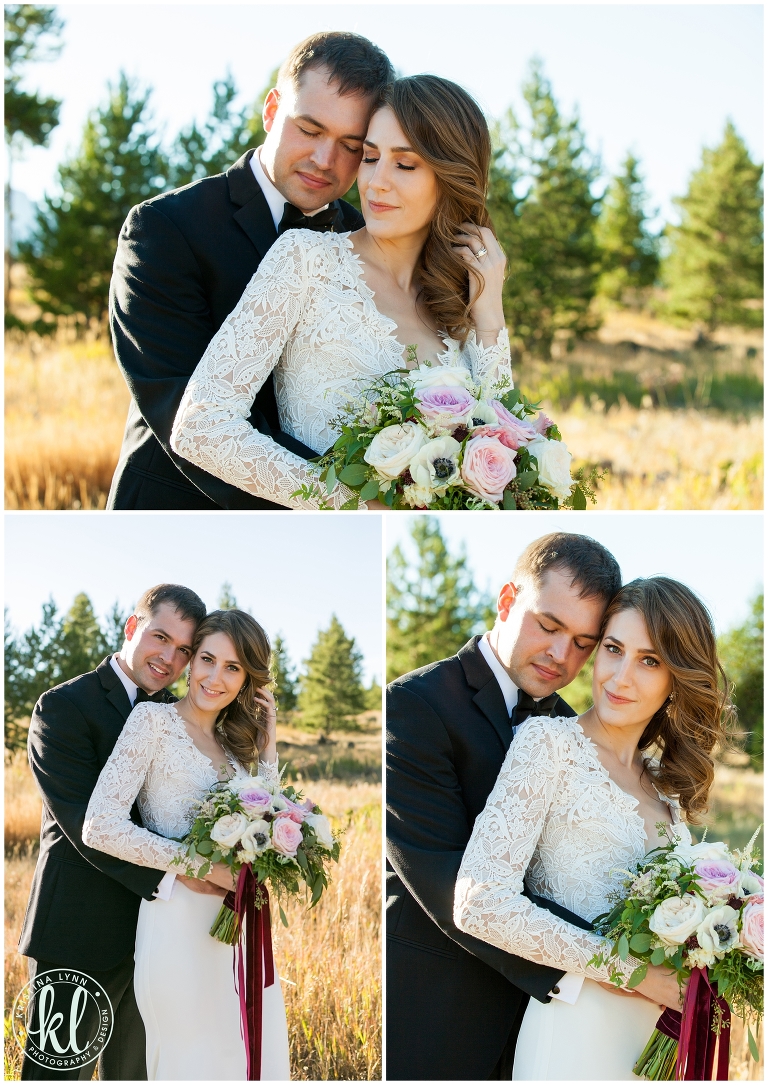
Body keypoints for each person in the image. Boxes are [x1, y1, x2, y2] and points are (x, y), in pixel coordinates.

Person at [170, 73, 509, 509]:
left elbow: (501, 450)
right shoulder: (305, 259)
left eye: (404, 165)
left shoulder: (460, 301)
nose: (376, 182)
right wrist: (356, 505)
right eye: (370, 157)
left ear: (451, 177)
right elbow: (201, 425)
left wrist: (489, 309)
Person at [454, 576, 733, 1080]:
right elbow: (479, 902)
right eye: (612, 649)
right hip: (575, 1032)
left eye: (650, 661)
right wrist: (633, 973)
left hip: (656, 1043)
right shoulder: (548, 744)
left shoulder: (665, 787)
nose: (619, 677)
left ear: (679, 678)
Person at [108, 32, 393, 510]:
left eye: (350, 144)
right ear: (271, 109)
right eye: (309, 129)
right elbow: (179, 407)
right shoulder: (163, 228)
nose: (325, 160)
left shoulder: (370, 240)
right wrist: (344, 505)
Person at [385, 533, 622, 1080]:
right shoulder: (414, 705)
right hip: (435, 1017)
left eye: (585, 642)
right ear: (508, 600)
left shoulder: (571, 729)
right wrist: (603, 967)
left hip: (544, 1033)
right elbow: (446, 882)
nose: (562, 656)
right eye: (549, 625)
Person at [83, 609, 291, 1081]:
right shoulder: (151, 722)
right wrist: (194, 866)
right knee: (190, 1062)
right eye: (207, 659)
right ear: (191, 660)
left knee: (242, 1059)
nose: (214, 677)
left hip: (236, 930)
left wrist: (268, 746)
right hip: (175, 922)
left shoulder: (237, 744)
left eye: (233, 668)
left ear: (248, 680)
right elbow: (100, 825)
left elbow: (268, 823)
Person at [19, 584, 207, 1080]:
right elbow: (86, 826)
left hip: (155, 938)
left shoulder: (175, 715)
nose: (169, 658)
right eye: (159, 637)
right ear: (131, 627)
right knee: (58, 1075)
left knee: (136, 1074)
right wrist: (181, 876)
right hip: (80, 930)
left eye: (184, 650)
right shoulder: (63, 707)